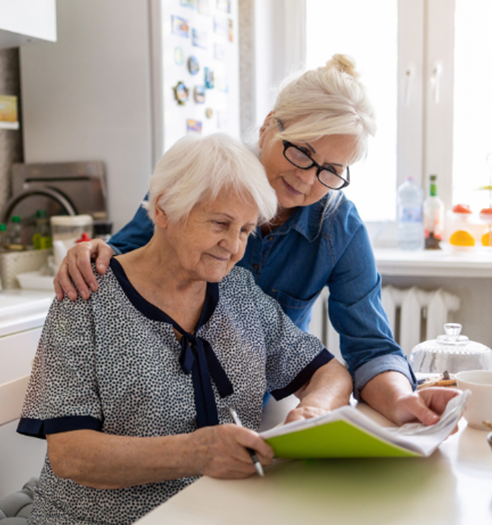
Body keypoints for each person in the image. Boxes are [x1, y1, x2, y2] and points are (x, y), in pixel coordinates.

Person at [53, 54, 458, 428]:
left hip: (252, 410)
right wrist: (91, 253)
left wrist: (404, 400)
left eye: (331, 170)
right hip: (154, 410)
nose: (307, 179)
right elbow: (125, 260)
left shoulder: (339, 227)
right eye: (302, 152)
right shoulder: (202, 178)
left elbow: (370, 348)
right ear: (268, 126)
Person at [18, 134, 354, 524]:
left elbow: (330, 373)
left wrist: (311, 411)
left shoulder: (239, 292)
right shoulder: (87, 295)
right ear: (163, 210)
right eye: (220, 223)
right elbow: (70, 455)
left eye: (246, 230)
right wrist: (193, 453)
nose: (232, 246)